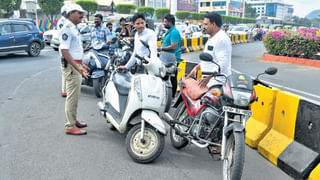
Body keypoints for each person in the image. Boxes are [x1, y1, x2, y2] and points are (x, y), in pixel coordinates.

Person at [59, 4, 89, 135]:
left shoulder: (74, 28)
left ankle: (73, 119)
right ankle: (70, 126)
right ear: (71, 13)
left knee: (75, 95)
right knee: (72, 96)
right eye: (79, 13)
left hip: (75, 65)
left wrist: (81, 65)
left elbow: (74, 50)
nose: (82, 15)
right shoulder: (67, 29)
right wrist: (78, 67)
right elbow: (64, 51)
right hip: (72, 67)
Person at [188, 12, 231, 89]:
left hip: (217, 83)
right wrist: (197, 67)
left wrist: (208, 78)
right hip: (209, 81)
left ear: (213, 24)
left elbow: (223, 64)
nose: (204, 27)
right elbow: (211, 59)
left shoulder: (221, 39)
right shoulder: (212, 37)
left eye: (206, 24)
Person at [157, 14, 181, 97]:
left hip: (172, 59)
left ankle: (173, 96)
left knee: (173, 78)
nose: (164, 23)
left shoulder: (174, 32)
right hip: (166, 58)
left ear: (170, 22)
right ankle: (165, 95)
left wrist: (161, 48)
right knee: (164, 76)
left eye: (165, 22)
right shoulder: (169, 31)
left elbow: (174, 46)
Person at [57, 5, 68, 97]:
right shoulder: (62, 22)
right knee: (65, 68)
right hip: (64, 48)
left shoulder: (68, 21)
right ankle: (64, 90)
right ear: (64, 13)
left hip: (68, 48)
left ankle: (68, 88)